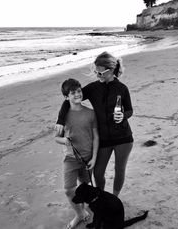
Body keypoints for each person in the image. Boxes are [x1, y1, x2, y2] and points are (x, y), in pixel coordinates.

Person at [56, 51, 133, 197]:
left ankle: (115, 198)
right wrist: (60, 120)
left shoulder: (122, 88)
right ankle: (101, 197)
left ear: (110, 71)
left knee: (119, 170)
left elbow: (130, 110)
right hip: (103, 139)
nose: (97, 75)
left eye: (100, 73)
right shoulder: (93, 88)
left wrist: (123, 116)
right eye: (96, 72)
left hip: (123, 138)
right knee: (98, 174)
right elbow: (70, 99)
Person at [54, 78, 99, 229]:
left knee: (84, 186)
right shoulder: (63, 116)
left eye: (79, 91)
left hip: (87, 158)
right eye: (73, 93)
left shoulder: (91, 113)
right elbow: (56, 138)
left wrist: (94, 157)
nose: (77, 95)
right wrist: (64, 140)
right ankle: (79, 214)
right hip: (70, 158)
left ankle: (85, 208)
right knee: (68, 189)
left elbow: (96, 136)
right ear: (66, 97)